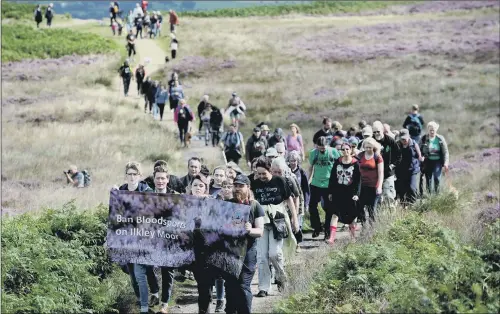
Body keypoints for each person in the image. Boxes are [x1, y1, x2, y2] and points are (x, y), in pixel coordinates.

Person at [112, 162, 161, 313]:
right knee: (133, 275)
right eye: (129, 174)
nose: (132, 177)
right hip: (127, 240)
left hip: (143, 239)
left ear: (139, 175)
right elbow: (116, 215)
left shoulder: (147, 191)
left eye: (135, 174)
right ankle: (142, 299)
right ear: (125, 175)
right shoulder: (121, 190)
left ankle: (144, 307)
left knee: (141, 273)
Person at [251, 157, 298, 298]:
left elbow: (289, 199)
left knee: (274, 253)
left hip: (278, 221)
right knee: (262, 257)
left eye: (263, 173)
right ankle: (264, 287)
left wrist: (295, 218)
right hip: (261, 222)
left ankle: (281, 277)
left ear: (270, 170)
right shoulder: (255, 184)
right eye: (259, 174)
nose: (261, 177)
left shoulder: (280, 181)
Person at [225, 174, 264, 314]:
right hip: (230, 252)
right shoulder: (227, 204)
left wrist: (250, 229)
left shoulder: (255, 206)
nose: (237, 189)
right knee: (230, 286)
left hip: (248, 253)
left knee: (242, 286)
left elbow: (260, 231)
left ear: (248, 187)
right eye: (235, 185)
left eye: (241, 186)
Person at [326, 143, 361, 244]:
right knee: (335, 214)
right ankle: (331, 238)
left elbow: (358, 181)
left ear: (350, 150)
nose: (345, 151)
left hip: (350, 193)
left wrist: (356, 194)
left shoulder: (356, 163)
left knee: (352, 216)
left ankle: (353, 237)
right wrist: (330, 191)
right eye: (343, 149)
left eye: (347, 149)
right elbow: (332, 177)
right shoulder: (338, 162)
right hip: (338, 192)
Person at [307, 136, 341, 239]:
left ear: (327, 145)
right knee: (312, 206)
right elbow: (310, 167)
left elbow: (339, 165)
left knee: (328, 208)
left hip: (329, 184)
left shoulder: (333, 152)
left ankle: (327, 231)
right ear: (317, 146)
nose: (322, 149)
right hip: (316, 183)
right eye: (320, 147)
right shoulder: (314, 153)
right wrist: (308, 181)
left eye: (324, 147)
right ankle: (317, 227)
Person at [271, 157, 304, 252]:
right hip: (280, 206)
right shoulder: (270, 180)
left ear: (284, 171)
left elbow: (296, 196)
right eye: (275, 172)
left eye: (279, 172)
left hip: (293, 203)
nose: (277, 174)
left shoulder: (290, 179)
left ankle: (298, 243)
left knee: (294, 225)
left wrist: (296, 215)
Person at [372, 121, 401, 204]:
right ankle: (378, 215)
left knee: (389, 196)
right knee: (377, 197)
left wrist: (392, 165)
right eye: (374, 132)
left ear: (382, 130)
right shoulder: (371, 141)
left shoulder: (390, 141)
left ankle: (390, 215)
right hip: (375, 173)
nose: (376, 133)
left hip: (388, 173)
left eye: (378, 131)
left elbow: (399, 155)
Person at [357, 138, 384, 226]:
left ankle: (373, 228)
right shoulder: (360, 156)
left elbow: (381, 173)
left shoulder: (377, 157)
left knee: (372, 208)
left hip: (373, 186)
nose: (368, 149)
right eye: (366, 147)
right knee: (360, 206)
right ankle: (364, 225)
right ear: (364, 147)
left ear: (374, 147)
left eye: (370, 147)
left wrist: (379, 186)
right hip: (362, 186)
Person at [419, 121, 449, 194]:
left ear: (436, 130)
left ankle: (437, 195)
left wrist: (446, 162)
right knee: (428, 180)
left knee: (437, 178)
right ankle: (429, 197)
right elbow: (419, 150)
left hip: (437, 162)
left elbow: (445, 152)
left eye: (433, 130)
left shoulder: (440, 139)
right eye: (430, 130)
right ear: (428, 130)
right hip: (427, 162)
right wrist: (421, 157)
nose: (432, 131)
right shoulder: (423, 138)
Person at [396, 129, 423, 205]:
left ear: (409, 137)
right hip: (402, 170)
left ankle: (413, 204)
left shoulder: (414, 144)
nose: (403, 140)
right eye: (402, 139)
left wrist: (421, 159)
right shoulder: (397, 144)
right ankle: (404, 206)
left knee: (412, 188)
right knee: (402, 189)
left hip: (413, 170)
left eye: (405, 138)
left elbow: (419, 156)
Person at [287, 150, 310, 216]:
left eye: (295, 161)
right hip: (288, 199)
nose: (293, 163)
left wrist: (306, 203)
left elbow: (306, 189)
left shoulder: (301, 172)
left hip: (299, 199)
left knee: (299, 219)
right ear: (288, 161)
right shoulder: (286, 171)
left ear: (298, 161)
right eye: (291, 161)